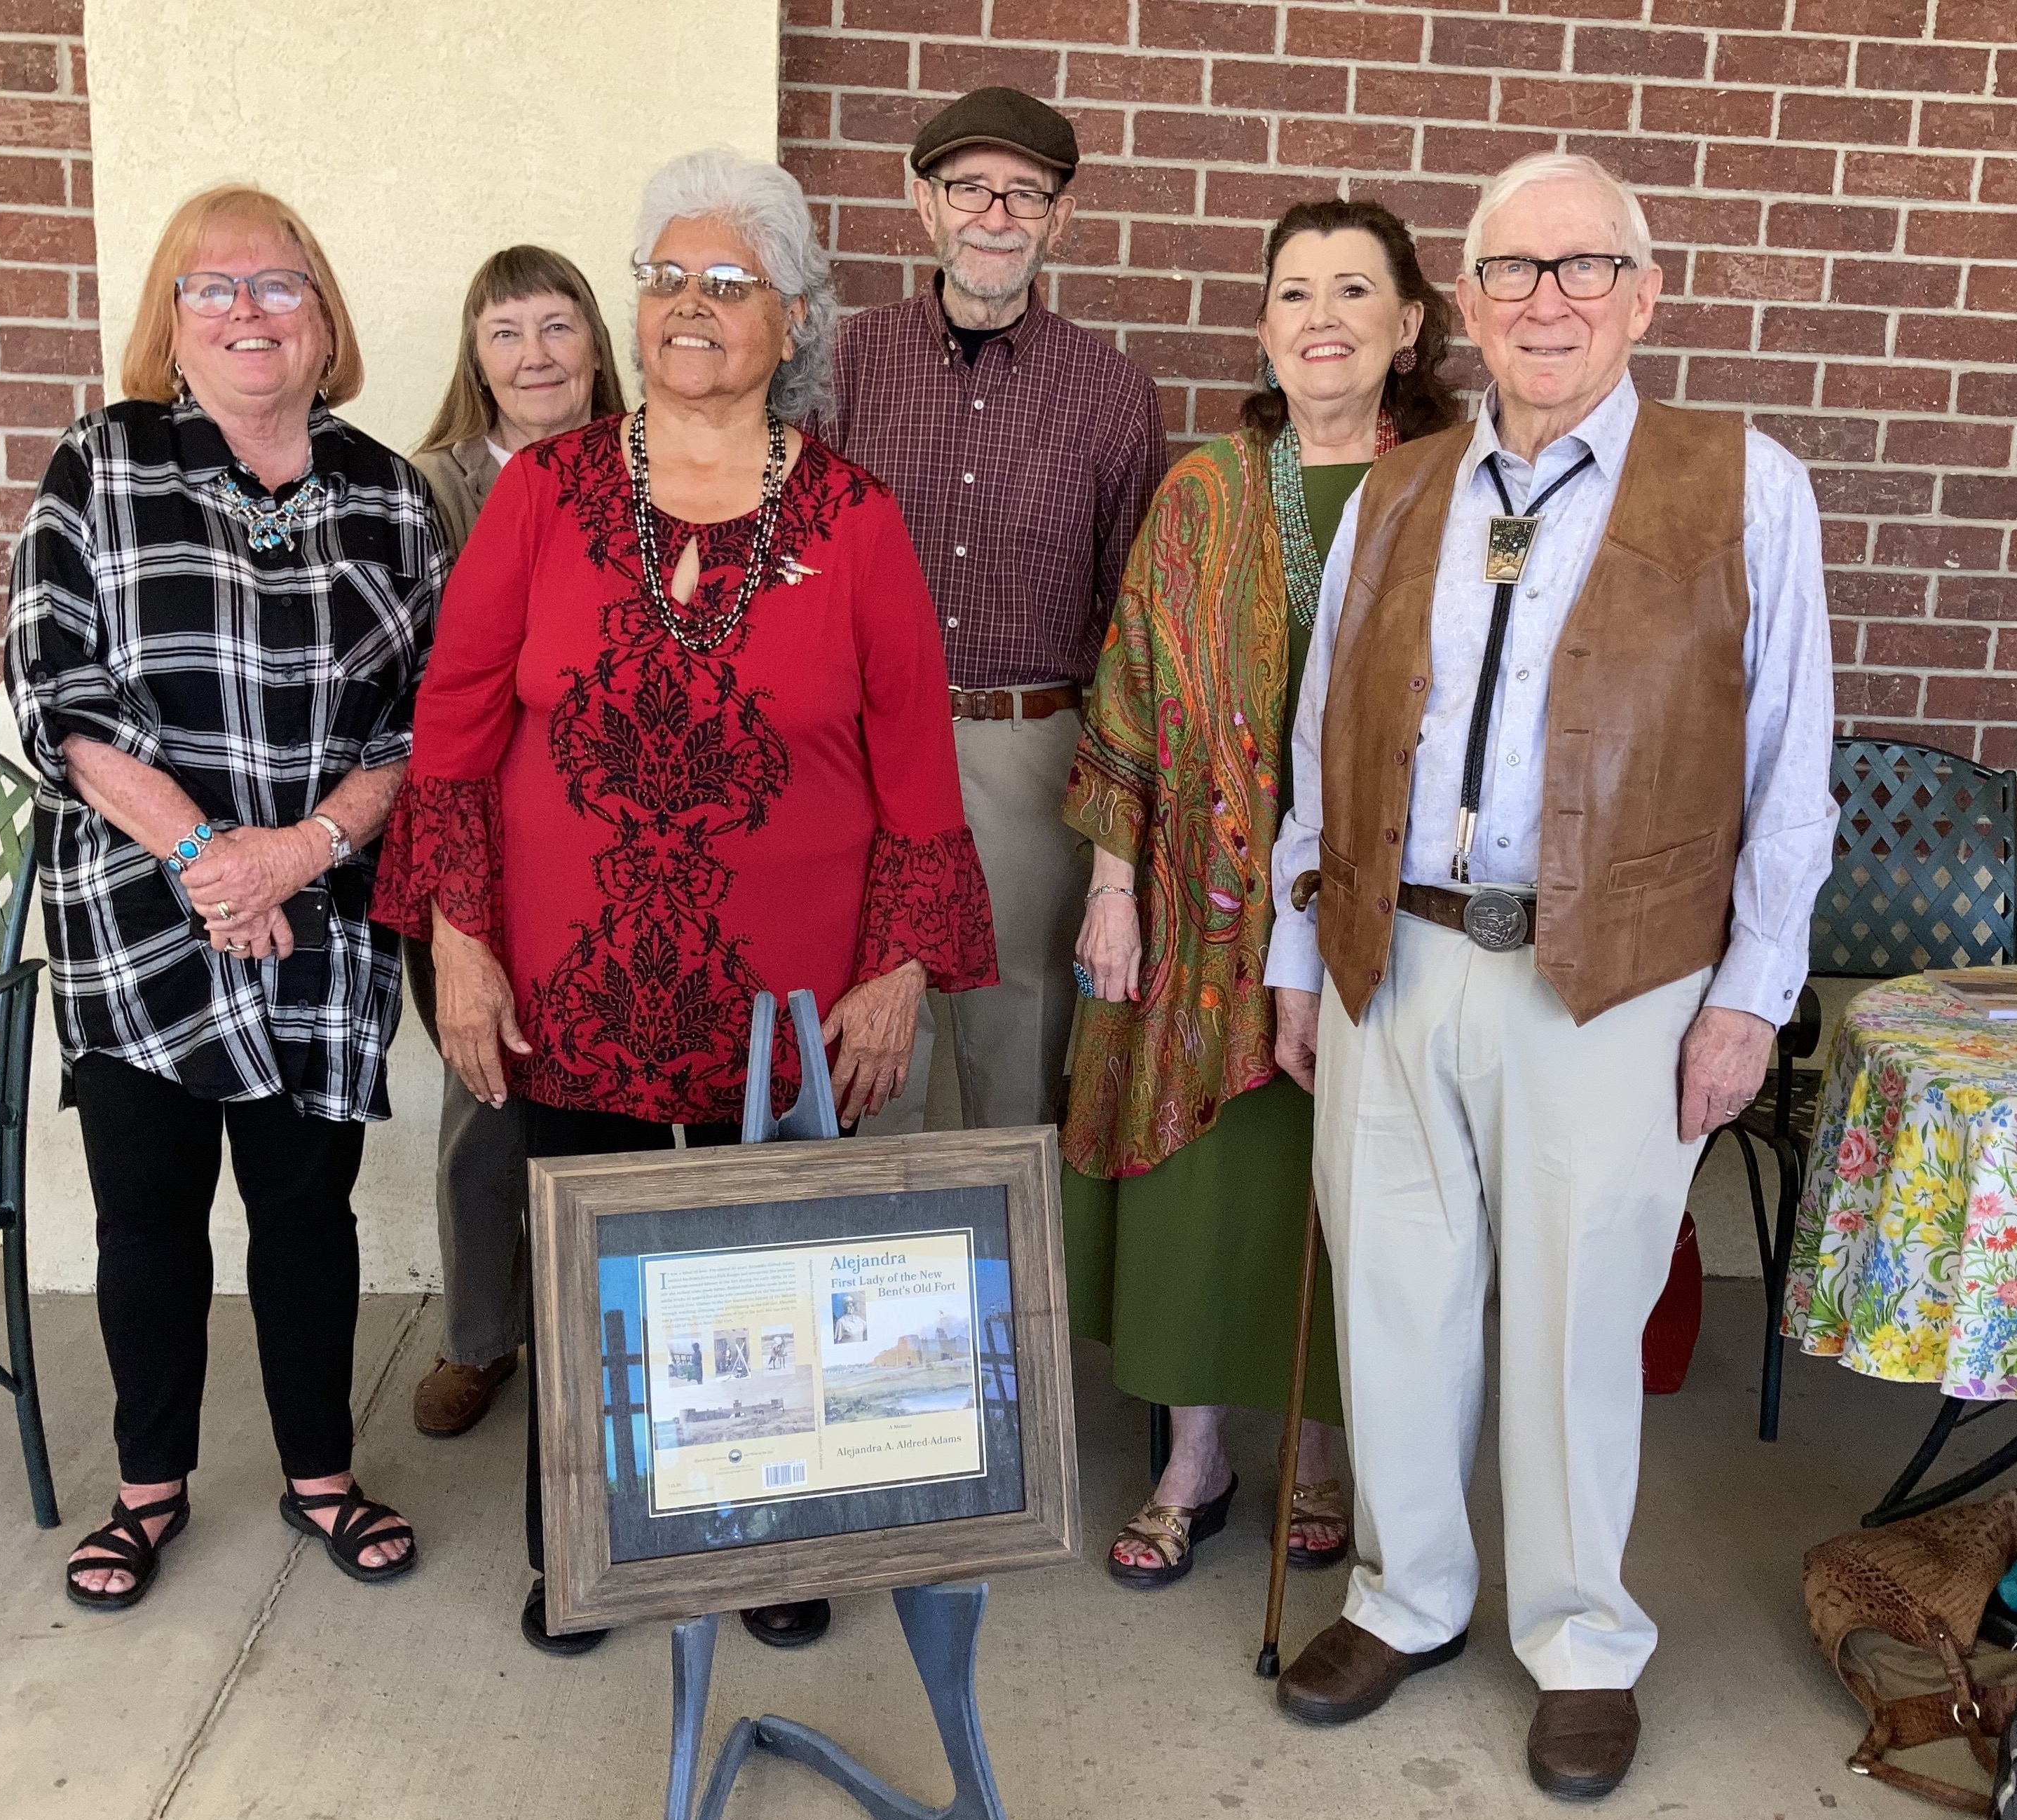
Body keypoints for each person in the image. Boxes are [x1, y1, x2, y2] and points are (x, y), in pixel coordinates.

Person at [372, 149, 996, 1657]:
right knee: (582, 1260)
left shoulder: (857, 520)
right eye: (663, 279)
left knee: (761, 1275)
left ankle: (761, 1543)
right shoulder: (543, 492)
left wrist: (899, 965)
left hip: (787, 995)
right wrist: (460, 938)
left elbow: (916, 767)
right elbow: (452, 727)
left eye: (728, 284)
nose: (688, 308)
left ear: (795, 321)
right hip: (570, 978)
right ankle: (581, 1547)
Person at [1266, 153, 1835, 1798]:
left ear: (1646, 294)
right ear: (1470, 302)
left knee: (1582, 1324)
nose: (1548, 301)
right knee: (1395, 1298)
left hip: (1619, 975)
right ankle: (1410, 1595)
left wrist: (1750, 999)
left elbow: (1794, 771)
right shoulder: (1399, 488)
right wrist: (1303, 956)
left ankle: (1582, 1637)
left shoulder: (1743, 484)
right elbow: (1325, 744)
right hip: (1398, 957)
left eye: (1586, 269)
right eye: (1513, 272)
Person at [6, 184, 444, 1609]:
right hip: (143, 917)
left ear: (323, 320)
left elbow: (426, 722)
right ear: (171, 323)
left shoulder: (388, 496)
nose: (250, 312)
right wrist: (211, 860)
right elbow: (59, 698)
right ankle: (149, 1493)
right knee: (149, 1218)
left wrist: (299, 853)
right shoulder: (102, 464)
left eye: (280, 285)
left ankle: (320, 1475)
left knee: (305, 1216)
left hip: (317, 925)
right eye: (215, 289)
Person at [1062, 201, 1456, 1591]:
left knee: (1360, 1189)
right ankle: (1194, 1459)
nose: (1324, 315)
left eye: (1357, 289)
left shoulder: (1463, 491)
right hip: (1202, 902)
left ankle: (1337, 1446)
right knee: (1205, 1184)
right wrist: (1112, 886)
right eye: (1297, 293)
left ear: (1411, 324)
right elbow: (1128, 688)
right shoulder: (1204, 493)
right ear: (1265, 329)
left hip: (1396, 918)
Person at [821, 86, 1165, 1134]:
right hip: (861, 747)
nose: (997, 214)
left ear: (1061, 218)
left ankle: (1009, 1297)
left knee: (1016, 1040)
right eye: (970, 187)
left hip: (1030, 751)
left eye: (1027, 193)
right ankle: (866, 1276)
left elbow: (1132, 619)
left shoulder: (1110, 391)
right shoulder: (842, 366)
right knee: (865, 1035)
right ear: (922, 203)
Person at [402, 247, 625, 1442]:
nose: (535, 355)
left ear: (595, 341)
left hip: (619, 842)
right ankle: (483, 1337)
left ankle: (613, 1341)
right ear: (476, 358)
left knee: (620, 1104)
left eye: (556, 326)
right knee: (487, 1096)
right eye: (506, 333)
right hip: (477, 835)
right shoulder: (427, 488)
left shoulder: (660, 473)